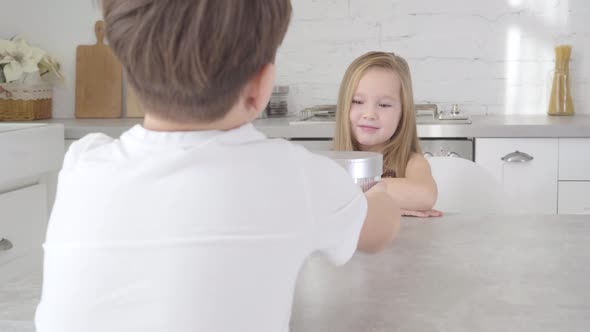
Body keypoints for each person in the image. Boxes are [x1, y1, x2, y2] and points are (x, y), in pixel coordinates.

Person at [34, 2, 400, 331]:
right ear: (261, 86)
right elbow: (380, 230)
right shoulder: (293, 174)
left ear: (130, 75)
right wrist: (378, 191)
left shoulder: (82, 163)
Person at [333, 51, 441, 218]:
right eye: (358, 101)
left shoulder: (411, 162)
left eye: (384, 105)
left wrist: (347, 194)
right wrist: (382, 202)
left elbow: (425, 195)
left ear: (403, 113)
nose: (369, 114)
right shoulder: (332, 162)